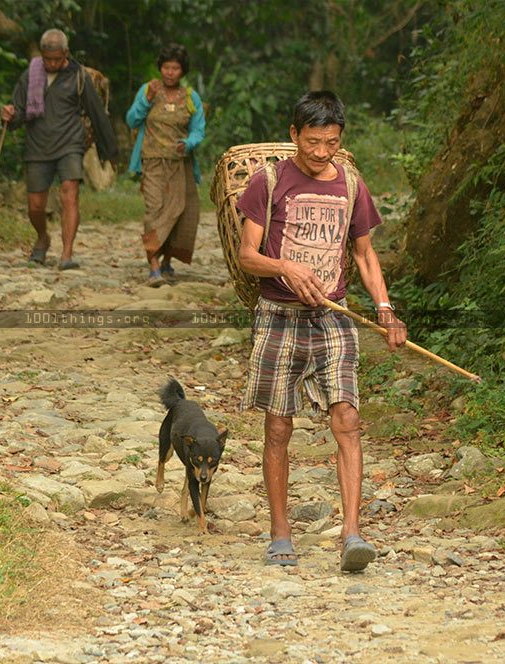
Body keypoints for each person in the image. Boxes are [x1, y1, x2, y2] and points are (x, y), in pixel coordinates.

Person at [236, 91, 407, 571]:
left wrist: (386, 310)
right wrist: (285, 267)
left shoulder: (351, 186)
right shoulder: (266, 183)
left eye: (331, 142)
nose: (321, 152)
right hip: (279, 316)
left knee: (348, 419)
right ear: (294, 135)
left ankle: (352, 534)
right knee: (278, 426)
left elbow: (365, 255)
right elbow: (249, 256)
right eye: (312, 142)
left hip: (334, 317)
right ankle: (280, 533)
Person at [1, 28, 119, 270]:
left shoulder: (79, 77)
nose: (52, 64)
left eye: (57, 59)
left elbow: (98, 115)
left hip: (70, 144)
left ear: (66, 53)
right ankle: (42, 238)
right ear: (42, 55)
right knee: (35, 206)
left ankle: (66, 254)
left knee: (70, 195)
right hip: (38, 146)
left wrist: (111, 152)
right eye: (47, 59)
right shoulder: (30, 75)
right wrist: (9, 115)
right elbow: (18, 114)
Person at [126, 43, 205, 286]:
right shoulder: (148, 90)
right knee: (154, 211)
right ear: (160, 68)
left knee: (179, 212)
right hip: (151, 163)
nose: (170, 72)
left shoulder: (191, 97)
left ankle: (167, 261)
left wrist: (188, 143)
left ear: (182, 71)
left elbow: (198, 130)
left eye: (175, 68)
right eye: (166, 67)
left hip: (180, 165)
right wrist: (146, 100)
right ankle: (153, 266)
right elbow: (132, 120)